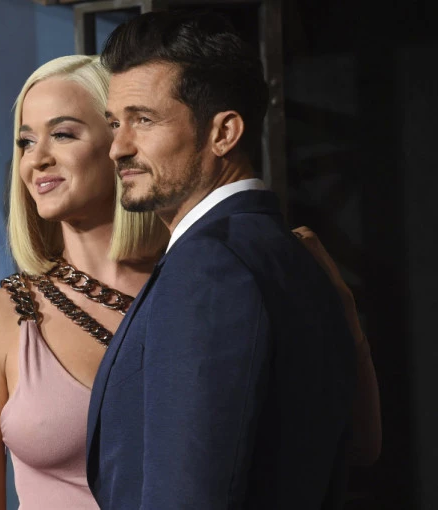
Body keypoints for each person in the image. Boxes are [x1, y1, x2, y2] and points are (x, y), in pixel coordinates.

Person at [0, 54, 379, 509]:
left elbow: (357, 446)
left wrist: (342, 316)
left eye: (63, 134)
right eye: (25, 141)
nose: (37, 159)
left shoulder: (209, 284)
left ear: (120, 143)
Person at [86, 11, 379, 509]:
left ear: (224, 133)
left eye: (143, 120)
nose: (117, 147)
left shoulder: (208, 267)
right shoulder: (291, 254)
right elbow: (360, 449)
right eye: (115, 123)